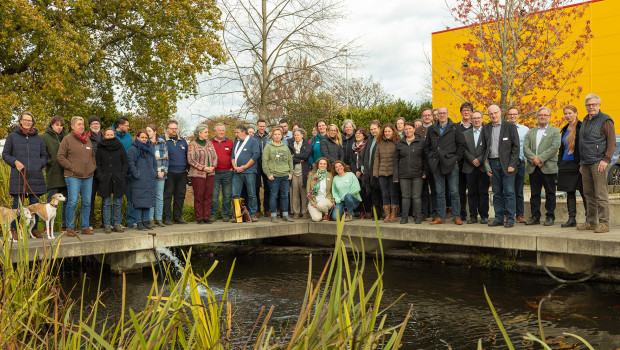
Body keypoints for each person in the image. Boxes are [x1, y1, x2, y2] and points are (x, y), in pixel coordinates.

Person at [2, 112, 47, 238]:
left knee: (35, 205)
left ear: (33, 122)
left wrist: (39, 164)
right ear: (20, 121)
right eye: (25, 120)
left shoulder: (38, 138)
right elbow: (5, 154)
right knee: (18, 204)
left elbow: (44, 155)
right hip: (19, 175)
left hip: (35, 175)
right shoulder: (12, 136)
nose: (28, 122)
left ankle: (34, 229)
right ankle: (15, 229)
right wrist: (15, 162)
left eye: (30, 120)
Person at [578, 94, 615, 233]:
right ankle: (591, 222)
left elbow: (611, 142)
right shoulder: (585, 120)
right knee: (588, 193)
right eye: (588, 105)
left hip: (599, 162)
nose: (591, 107)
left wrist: (606, 160)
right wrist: (581, 163)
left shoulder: (606, 120)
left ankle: (604, 224)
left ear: (599, 105)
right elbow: (583, 143)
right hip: (585, 163)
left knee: (601, 194)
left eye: (593, 104)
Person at [424, 107, 465, 225]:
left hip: (451, 163)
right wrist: (431, 158)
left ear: (447, 114)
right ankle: (441, 216)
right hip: (437, 164)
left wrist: (456, 159)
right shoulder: (432, 129)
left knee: (454, 191)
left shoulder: (455, 127)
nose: (441, 115)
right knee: (439, 192)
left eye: (443, 113)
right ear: (436, 115)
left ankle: (457, 216)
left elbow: (461, 145)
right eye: (439, 113)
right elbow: (427, 147)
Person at [57, 116, 97, 235]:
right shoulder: (67, 139)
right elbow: (60, 156)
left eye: (83, 124)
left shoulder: (87, 139)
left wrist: (92, 166)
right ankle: (70, 228)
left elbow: (93, 155)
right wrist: (72, 167)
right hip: (73, 176)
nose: (82, 126)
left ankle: (85, 227)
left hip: (88, 176)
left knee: (86, 202)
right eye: (79, 124)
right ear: (73, 126)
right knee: (73, 201)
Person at [482, 105, 520, 228]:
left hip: (507, 164)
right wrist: (487, 167)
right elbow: (484, 149)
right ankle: (498, 218)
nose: (493, 115)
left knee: (509, 192)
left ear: (500, 113)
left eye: (495, 112)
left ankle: (510, 218)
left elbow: (516, 147)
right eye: (491, 113)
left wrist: (512, 164)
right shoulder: (486, 128)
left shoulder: (510, 126)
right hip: (493, 164)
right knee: (496, 193)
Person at [523, 107, 561, 226]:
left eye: (545, 115)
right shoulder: (531, 132)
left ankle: (550, 216)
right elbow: (525, 148)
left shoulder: (555, 131)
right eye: (540, 115)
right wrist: (534, 159)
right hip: (534, 167)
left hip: (548, 167)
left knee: (550, 193)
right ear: (537, 116)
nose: (542, 117)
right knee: (534, 193)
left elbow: (554, 148)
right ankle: (535, 216)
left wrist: (541, 158)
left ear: (549, 117)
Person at [558, 105, 587, 227]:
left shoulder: (582, 126)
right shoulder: (564, 128)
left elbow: (584, 146)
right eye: (565, 113)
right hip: (565, 164)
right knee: (569, 192)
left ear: (576, 113)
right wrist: (559, 162)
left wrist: (582, 163)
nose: (567, 115)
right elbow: (562, 147)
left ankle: (589, 219)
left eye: (570, 113)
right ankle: (571, 219)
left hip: (577, 164)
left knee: (584, 192)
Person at [96, 128, 128, 233]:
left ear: (115, 135)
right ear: (104, 136)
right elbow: (98, 164)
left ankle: (117, 224)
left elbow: (125, 162)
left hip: (118, 178)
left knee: (118, 202)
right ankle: (107, 225)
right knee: (106, 203)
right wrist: (100, 176)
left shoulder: (120, 146)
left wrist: (122, 175)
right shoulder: (100, 147)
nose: (109, 136)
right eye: (107, 135)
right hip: (105, 179)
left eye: (111, 135)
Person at [394, 122, 426, 224]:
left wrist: (425, 171)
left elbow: (425, 158)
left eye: (410, 129)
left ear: (414, 129)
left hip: (418, 173)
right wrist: (396, 175)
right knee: (405, 196)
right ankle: (404, 217)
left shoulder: (421, 142)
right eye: (406, 129)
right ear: (404, 131)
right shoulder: (399, 143)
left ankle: (418, 217)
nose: (408, 131)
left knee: (416, 196)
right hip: (403, 174)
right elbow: (396, 160)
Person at [41, 116, 69, 232]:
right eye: (57, 125)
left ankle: (66, 225)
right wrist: (50, 162)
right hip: (53, 173)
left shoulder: (67, 136)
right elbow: (42, 153)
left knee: (67, 201)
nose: (59, 127)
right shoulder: (44, 137)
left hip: (67, 172)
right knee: (50, 202)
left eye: (61, 125)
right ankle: (47, 227)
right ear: (51, 125)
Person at [462, 111, 491, 224]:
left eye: (478, 118)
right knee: (472, 193)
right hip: (469, 166)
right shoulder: (465, 134)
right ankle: (473, 216)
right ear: (471, 119)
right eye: (474, 118)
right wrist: (472, 159)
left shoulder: (487, 132)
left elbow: (489, 148)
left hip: (483, 167)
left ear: (482, 119)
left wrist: (479, 159)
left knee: (483, 192)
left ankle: (484, 216)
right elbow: (463, 149)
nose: (476, 120)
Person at [188, 124, 218, 224]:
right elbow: (191, 160)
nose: (207, 134)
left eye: (207, 132)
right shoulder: (193, 144)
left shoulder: (209, 143)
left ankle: (206, 216)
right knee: (199, 196)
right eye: (205, 132)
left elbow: (215, 157)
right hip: (198, 174)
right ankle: (199, 217)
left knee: (208, 196)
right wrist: (204, 168)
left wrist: (212, 167)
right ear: (199, 133)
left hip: (210, 174)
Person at [263, 127, 294, 222]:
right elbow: (264, 161)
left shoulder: (285, 146)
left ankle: (285, 214)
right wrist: (268, 174)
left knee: (285, 195)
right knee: (273, 195)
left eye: (279, 134)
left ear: (281, 136)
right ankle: (273, 215)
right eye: (275, 134)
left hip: (285, 175)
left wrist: (290, 173)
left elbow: (290, 160)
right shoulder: (268, 147)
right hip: (274, 176)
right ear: (272, 135)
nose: (277, 136)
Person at [128, 130, 157, 230]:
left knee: (147, 202)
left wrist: (154, 173)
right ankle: (139, 222)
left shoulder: (150, 148)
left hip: (149, 178)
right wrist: (137, 174)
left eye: (146, 137)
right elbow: (130, 163)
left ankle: (145, 221)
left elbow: (154, 162)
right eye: (142, 137)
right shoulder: (133, 149)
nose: (144, 139)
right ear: (137, 137)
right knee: (138, 202)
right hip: (138, 179)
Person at [231, 125, 260, 222]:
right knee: (235, 195)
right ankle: (237, 215)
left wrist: (245, 166)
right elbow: (232, 156)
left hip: (249, 171)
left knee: (251, 194)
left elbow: (256, 155)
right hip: (237, 172)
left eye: (237, 132)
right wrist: (235, 167)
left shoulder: (253, 141)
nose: (236, 134)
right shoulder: (236, 142)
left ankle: (253, 214)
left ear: (244, 132)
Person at [373, 123, 400, 222]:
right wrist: (376, 172)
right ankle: (387, 215)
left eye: (389, 131)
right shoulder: (380, 143)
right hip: (382, 173)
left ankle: (394, 215)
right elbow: (376, 158)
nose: (387, 133)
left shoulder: (397, 143)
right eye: (385, 131)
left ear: (393, 131)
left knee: (393, 193)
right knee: (385, 194)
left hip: (393, 173)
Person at [507, 107, 529, 223]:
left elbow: (526, 146)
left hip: (519, 163)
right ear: (507, 115)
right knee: (508, 190)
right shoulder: (503, 128)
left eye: (515, 114)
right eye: (510, 114)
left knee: (519, 190)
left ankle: (519, 214)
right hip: (506, 164)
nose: (512, 116)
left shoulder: (525, 130)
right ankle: (507, 213)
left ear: (518, 115)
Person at [114, 116, 136, 228]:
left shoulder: (128, 136)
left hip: (129, 171)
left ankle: (131, 221)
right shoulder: (111, 134)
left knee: (131, 197)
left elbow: (131, 151)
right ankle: (116, 223)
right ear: (120, 125)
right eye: (126, 125)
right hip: (117, 171)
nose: (128, 127)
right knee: (117, 198)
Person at [359, 120, 383, 219]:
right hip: (369, 171)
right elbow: (363, 154)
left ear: (379, 129)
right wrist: (362, 166)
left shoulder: (382, 140)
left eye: (375, 129)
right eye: (371, 129)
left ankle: (381, 213)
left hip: (379, 171)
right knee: (373, 194)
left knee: (381, 193)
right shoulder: (369, 140)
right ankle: (376, 214)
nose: (373, 131)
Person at [211, 123, 234, 221]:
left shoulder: (230, 142)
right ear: (215, 131)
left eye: (223, 130)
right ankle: (213, 215)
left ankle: (225, 214)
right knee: (214, 195)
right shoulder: (210, 142)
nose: (221, 132)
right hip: (214, 172)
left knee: (227, 195)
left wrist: (233, 167)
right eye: (219, 130)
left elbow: (234, 155)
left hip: (227, 172)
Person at [146, 124, 168, 227]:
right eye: (147, 131)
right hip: (149, 174)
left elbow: (166, 158)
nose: (147, 133)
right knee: (150, 196)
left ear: (155, 132)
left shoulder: (162, 143)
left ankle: (159, 219)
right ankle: (150, 219)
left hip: (161, 174)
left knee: (159, 197)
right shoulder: (145, 143)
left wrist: (163, 172)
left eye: (149, 131)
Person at [418, 108, 436, 220]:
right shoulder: (417, 130)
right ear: (422, 117)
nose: (427, 117)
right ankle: (424, 212)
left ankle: (435, 212)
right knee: (423, 190)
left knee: (435, 190)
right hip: (421, 164)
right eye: (425, 115)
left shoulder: (436, 128)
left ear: (432, 117)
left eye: (429, 115)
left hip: (434, 163)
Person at [288, 128, 311, 219]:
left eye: (298, 135)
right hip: (293, 171)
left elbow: (306, 155)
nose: (296, 136)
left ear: (302, 135)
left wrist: (294, 156)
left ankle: (304, 211)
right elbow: (289, 158)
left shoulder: (306, 144)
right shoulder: (290, 144)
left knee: (304, 192)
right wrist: (299, 159)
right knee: (294, 193)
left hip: (303, 171)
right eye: (295, 135)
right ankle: (296, 212)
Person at [456, 102, 473, 222]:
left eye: (468, 110)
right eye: (464, 110)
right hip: (460, 163)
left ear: (472, 112)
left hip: (474, 163)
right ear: (461, 112)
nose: (466, 112)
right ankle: (462, 213)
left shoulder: (478, 125)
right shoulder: (456, 127)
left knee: (473, 190)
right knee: (460, 190)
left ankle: (474, 215)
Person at [350, 127, 370, 219]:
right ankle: (361, 210)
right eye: (356, 133)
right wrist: (355, 171)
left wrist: (360, 171)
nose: (357, 135)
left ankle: (368, 210)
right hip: (355, 174)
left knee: (365, 191)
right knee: (357, 192)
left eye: (360, 133)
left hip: (364, 172)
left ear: (364, 136)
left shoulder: (366, 145)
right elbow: (351, 161)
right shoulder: (353, 146)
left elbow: (366, 159)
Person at [307, 157, 334, 222]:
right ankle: (322, 212)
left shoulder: (330, 175)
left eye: (324, 164)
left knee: (320, 205)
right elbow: (308, 190)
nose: (322, 165)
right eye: (321, 163)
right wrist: (313, 202)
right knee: (316, 219)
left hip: (326, 200)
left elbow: (333, 189)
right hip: (314, 200)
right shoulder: (311, 174)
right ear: (318, 165)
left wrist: (333, 200)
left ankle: (326, 213)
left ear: (327, 166)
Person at [254, 119, 270, 216]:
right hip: (256, 164)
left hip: (267, 164)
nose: (262, 128)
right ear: (257, 126)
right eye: (260, 126)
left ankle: (267, 209)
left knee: (268, 187)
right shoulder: (253, 137)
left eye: (263, 126)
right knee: (256, 187)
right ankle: (257, 210)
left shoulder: (269, 137)